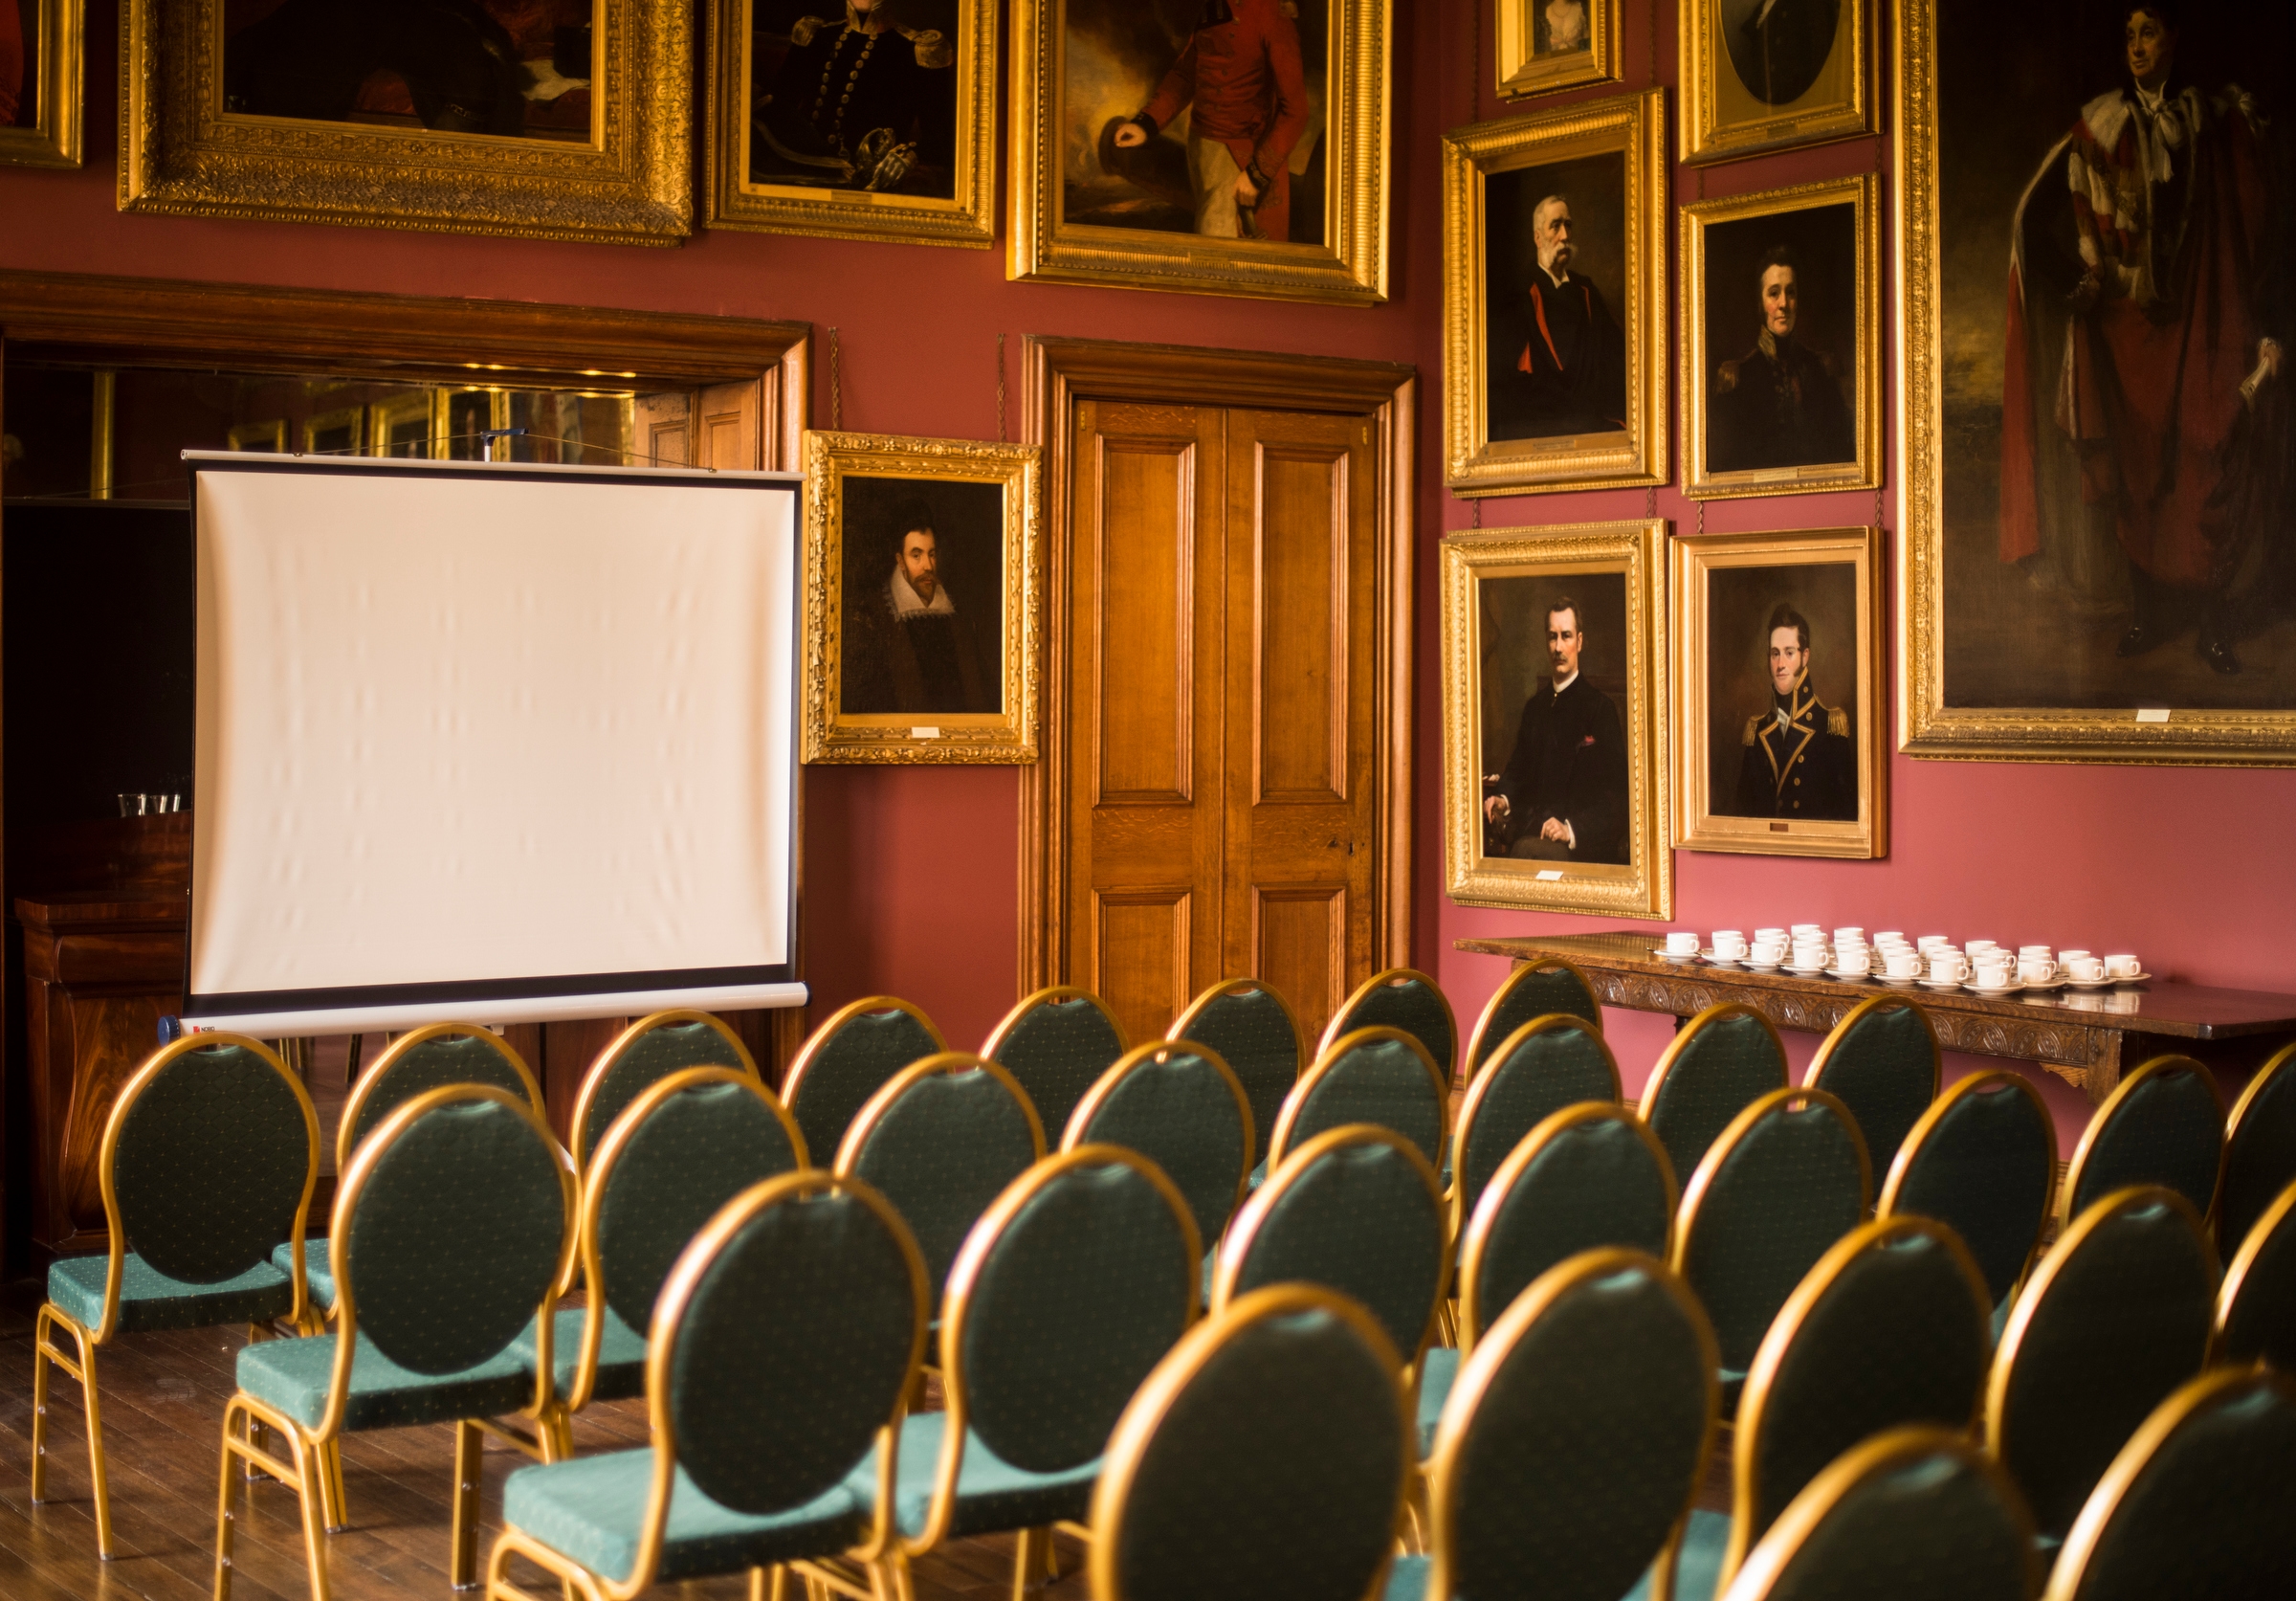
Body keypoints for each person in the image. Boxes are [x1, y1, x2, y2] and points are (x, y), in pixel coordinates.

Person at [1999, 0, 2286, 675]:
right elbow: (2038, 219)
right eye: (2128, 34)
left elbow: (2254, 229)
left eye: (2149, 31)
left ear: (2174, 39)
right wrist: (2083, 278)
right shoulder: (2099, 125)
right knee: (2137, 476)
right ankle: (2147, 613)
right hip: (2127, 334)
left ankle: (2214, 622)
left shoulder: (2213, 123)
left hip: (2206, 324)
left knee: (2211, 459)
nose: (2136, 45)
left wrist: (2263, 318)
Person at [1111, 0, 1312, 242]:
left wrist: (1257, 174)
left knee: (1216, 258)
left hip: (1240, 158)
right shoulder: (1214, 8)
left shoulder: (1273, 15)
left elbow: (1296, 111)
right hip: (1201, 149)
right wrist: (1146, 124)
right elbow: (1185, 75)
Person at [1482, 598, 1629, 864]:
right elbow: (1517, 769)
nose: (1559, 647)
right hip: (1529, 838)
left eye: (1566, 636)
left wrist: (1569, 830)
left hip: (1580, 850)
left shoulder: (1600, 709)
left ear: (1580, 642)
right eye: (1552, 637)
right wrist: (1503, 799)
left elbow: (1616, 798)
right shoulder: (1534, 708)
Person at [752, 0, 955, 193]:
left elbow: (939, 140)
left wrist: (909, 154)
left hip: (865, 180)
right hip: (802, 167)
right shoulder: (816, 36)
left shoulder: (918, 50)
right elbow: (777, 108)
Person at [1488, 194, 1628, 440]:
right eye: (1556, 225)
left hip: (1589, 420)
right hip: (1538, 424)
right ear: (1538, 237)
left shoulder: (1586, 291)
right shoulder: (1518, 295)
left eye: (1568, 225)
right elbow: (1506, 379)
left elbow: (1616, 358)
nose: (1564, 235)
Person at [1710, 245, 1854, 472]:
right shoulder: (1738, 377)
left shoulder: (1821, 369)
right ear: (1761, 303)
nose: (1784, 304)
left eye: (1791, 292)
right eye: (1774, 293)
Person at [841, 500, 992, 716]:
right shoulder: (875, 617)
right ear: (900, 561)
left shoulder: (957, 619)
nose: (928, 566)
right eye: (916, 555)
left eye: (931, 554)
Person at [1729, 603, 1856, 822]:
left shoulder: (1830, 725)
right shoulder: (1757, 730)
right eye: (1775, 654)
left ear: (1805, 656)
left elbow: (1845, 817)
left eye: (1789, 653)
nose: (1780, 664)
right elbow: (1743, 815)